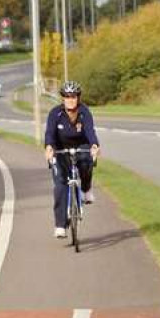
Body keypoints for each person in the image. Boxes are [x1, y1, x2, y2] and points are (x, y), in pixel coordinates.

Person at [44, 80, 101, 239]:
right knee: (60, 185)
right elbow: (49, 133)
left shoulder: (84, 112)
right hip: (60, 148)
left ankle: (86, 189)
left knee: (86, 161)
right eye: (67, 96)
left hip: (80, 145)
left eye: (74, 96)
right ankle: (60, 225)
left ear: (78, 97)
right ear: (62, 98)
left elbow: (90, 131)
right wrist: (49, 147)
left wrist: (94, 145)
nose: (71, 99)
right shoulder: (55, 113)